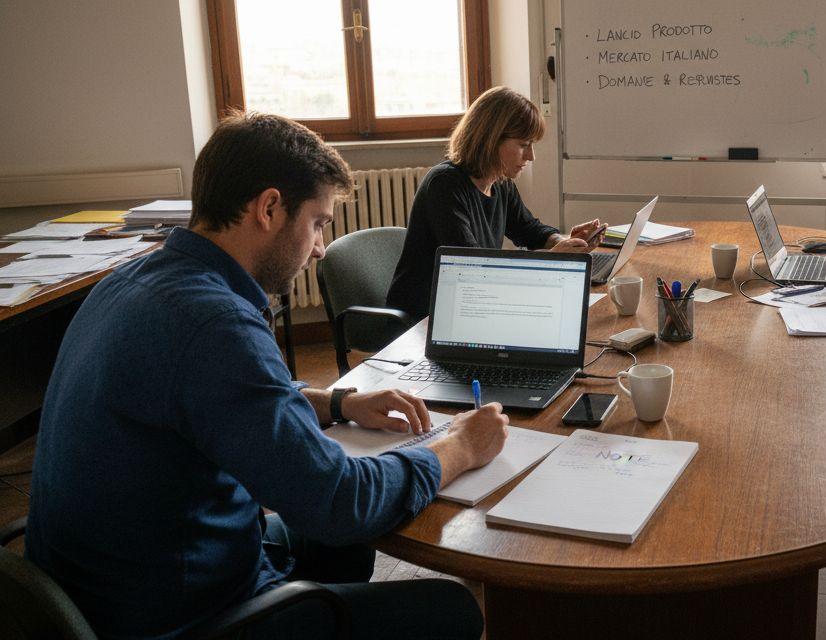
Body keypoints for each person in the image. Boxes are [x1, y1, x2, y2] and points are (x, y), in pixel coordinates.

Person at [26, 112, 509, 640]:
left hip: (113, 582)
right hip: (177, 616)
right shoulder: (215, 324)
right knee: (450, 608)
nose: (321, 247)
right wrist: (460, 446)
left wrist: (337, 402)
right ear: (269, 208)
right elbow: (339, 503)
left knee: (340, 546)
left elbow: (213, 396)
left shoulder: (134, 279)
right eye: (319, 223)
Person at [387, 86, 605, 319]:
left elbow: (529, 230)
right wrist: (552, 258)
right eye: (523, 145)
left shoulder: (500, 182)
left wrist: (564, 242)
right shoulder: (444, 185)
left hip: (471, 302)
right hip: (427, 314)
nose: (531, 156)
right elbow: (471, 266)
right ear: (490, 139)